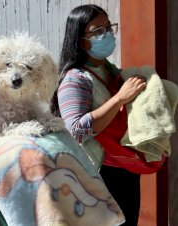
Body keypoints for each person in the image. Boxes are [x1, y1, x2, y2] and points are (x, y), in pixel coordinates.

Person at [56, 4, 147, 226]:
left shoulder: (109, 69)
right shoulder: (75, 79)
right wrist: (119, 99)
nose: (106, 35)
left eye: (108, 28)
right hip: (98, 176)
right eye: (97, 31)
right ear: (79, 39)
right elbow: (76, 130)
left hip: (123, 168)